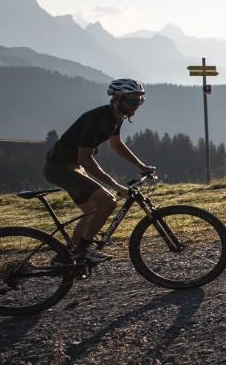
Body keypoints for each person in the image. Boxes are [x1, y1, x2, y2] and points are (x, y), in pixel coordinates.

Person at [44, 78, 157, 264]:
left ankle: (67, 257)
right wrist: (116, 185)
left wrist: (141, 166)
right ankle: (83, 250)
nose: (136, 105)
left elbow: (117, 144)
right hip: (60, 167)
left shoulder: (116, 116)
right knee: (108, 202)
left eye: (139, 101)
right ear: (117, 99)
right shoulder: (98, 118)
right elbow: (85, 159)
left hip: (70, 166)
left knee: (93, 210)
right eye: (131, 100)